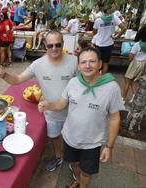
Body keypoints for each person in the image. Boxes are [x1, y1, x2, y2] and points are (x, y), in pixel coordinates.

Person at [38, 47, 125, 188]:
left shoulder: (111, 88)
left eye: (92, 61)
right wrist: (48, 105)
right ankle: (78, 181)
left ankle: (82, 184)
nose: (88, 65)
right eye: (83, 62)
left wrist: (109, 146)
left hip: (92, 142)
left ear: (100, 64)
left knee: (87, 172)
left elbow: (115, 118)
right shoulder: (73, 82)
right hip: (70, 137)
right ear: (78, 66)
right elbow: (61, 103)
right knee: (74, 164)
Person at [0, 30, 78, 172]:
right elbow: (18, 79)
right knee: (55, 136)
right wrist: (4, 75)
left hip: (74, 111)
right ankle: (58, 157)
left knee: (73, 138)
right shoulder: (38, 64)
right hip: (51, 112)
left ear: (63, 44)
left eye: (58, 45)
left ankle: (74, 160)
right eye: (50, 46)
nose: (54, 48)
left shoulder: (74, 61)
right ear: (45, 45)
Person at [92, 6, 126, 73]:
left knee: (97, 63)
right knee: (105, 64)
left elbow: (94, 33)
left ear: (102, 10)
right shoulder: (114, 18)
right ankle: (103, 80)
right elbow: (124, 28)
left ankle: (96, 79)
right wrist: (116, 36)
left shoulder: (98, 20)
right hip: (108, 44)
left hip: (99, 44)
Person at [123, 26, 146, 103]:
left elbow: (130, 58)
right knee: (134, 81)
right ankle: (134, 96)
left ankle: (123, 99)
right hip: (143, 64)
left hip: (135, 63)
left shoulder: (137, 45)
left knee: (127, 81)